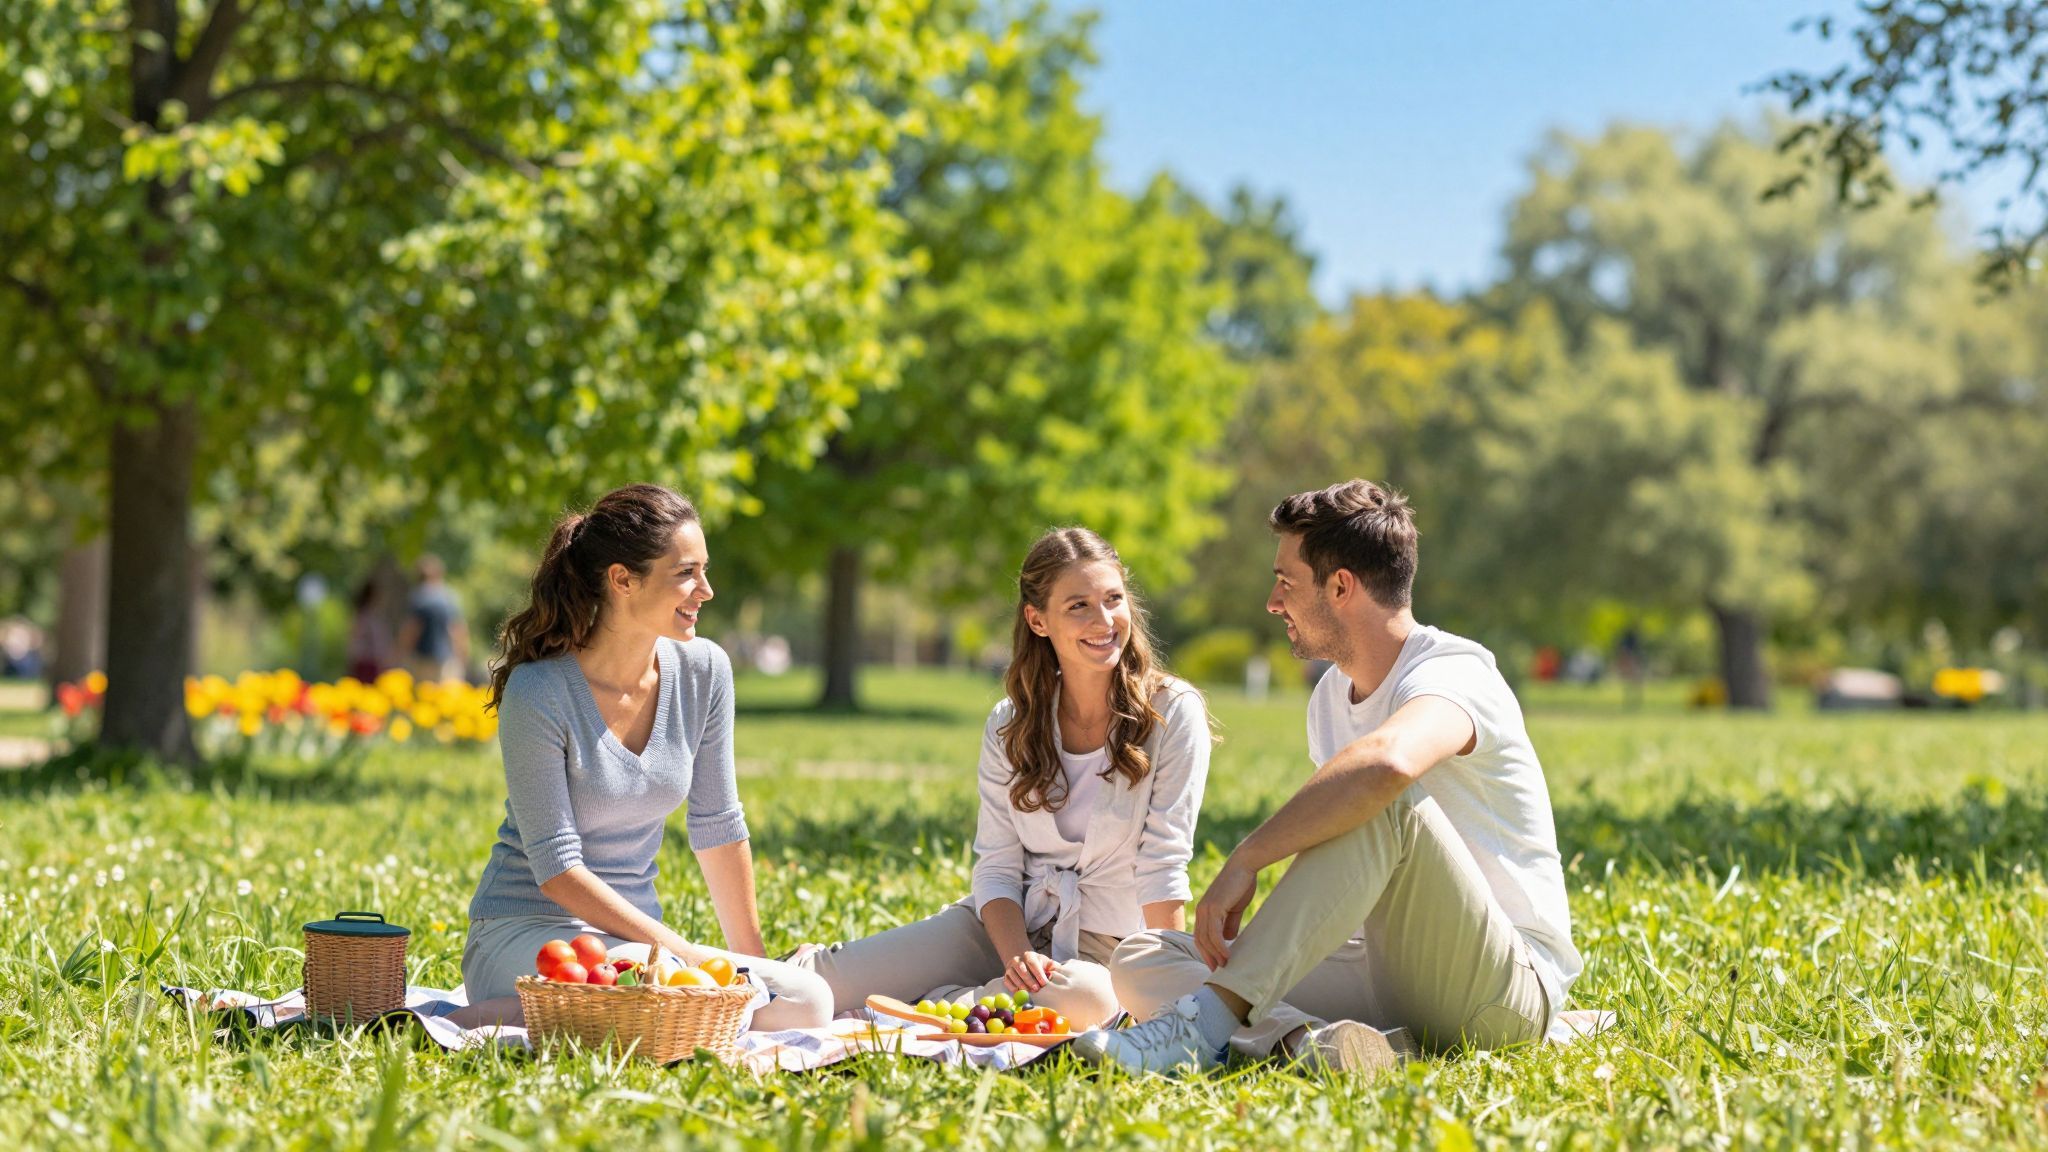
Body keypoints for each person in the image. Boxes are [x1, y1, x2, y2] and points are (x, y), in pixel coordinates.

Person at [1073, 480, 1581, 1074]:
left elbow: (1388, 766)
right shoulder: (1330, 699)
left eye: (1286, 581)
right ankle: (1316, 1044)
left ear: (1341, 586)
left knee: (1382, 797)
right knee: (1144, 956)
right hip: (1384, 972)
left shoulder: (1456, 671)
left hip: (1503, 994)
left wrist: (1247, 858)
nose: (1272, 601)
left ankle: (1205, 1028)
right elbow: (1345, 864)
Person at [794, 528, 1213, 1030]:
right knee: (815, 986)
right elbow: (997, 866)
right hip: (1005, 929)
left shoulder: (1171, 713)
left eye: (1113, 599)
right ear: (1038, 620)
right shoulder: (1010, 722)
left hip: (1107, 953)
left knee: (1085, 1002)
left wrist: (1162, 983)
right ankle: (714, 975)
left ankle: (934, 1006)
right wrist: (1016, 958)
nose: (1104, 621)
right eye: (1078, 605)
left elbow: (1164, 863)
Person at [449, 484, 832, 1030]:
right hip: (527, 933)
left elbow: (718, 824)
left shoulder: (706, 671)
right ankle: (491, 1014)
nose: (707, 590)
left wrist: (755, 965)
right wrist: (683, 953)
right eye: (686, 573)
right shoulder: (541, 691)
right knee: (660, 997)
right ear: (622, 580)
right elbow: (557, 869)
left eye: (704, 571)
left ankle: (541, 1019)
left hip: (638, 945)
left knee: (806, 1001)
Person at [397, 554, 470, 684]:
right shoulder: (450, 597)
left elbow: (412, 629)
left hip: (422, 659)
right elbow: (457, 630)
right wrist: (462, 656)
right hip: (446, 659)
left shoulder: (419, 596)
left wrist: (399, 653)